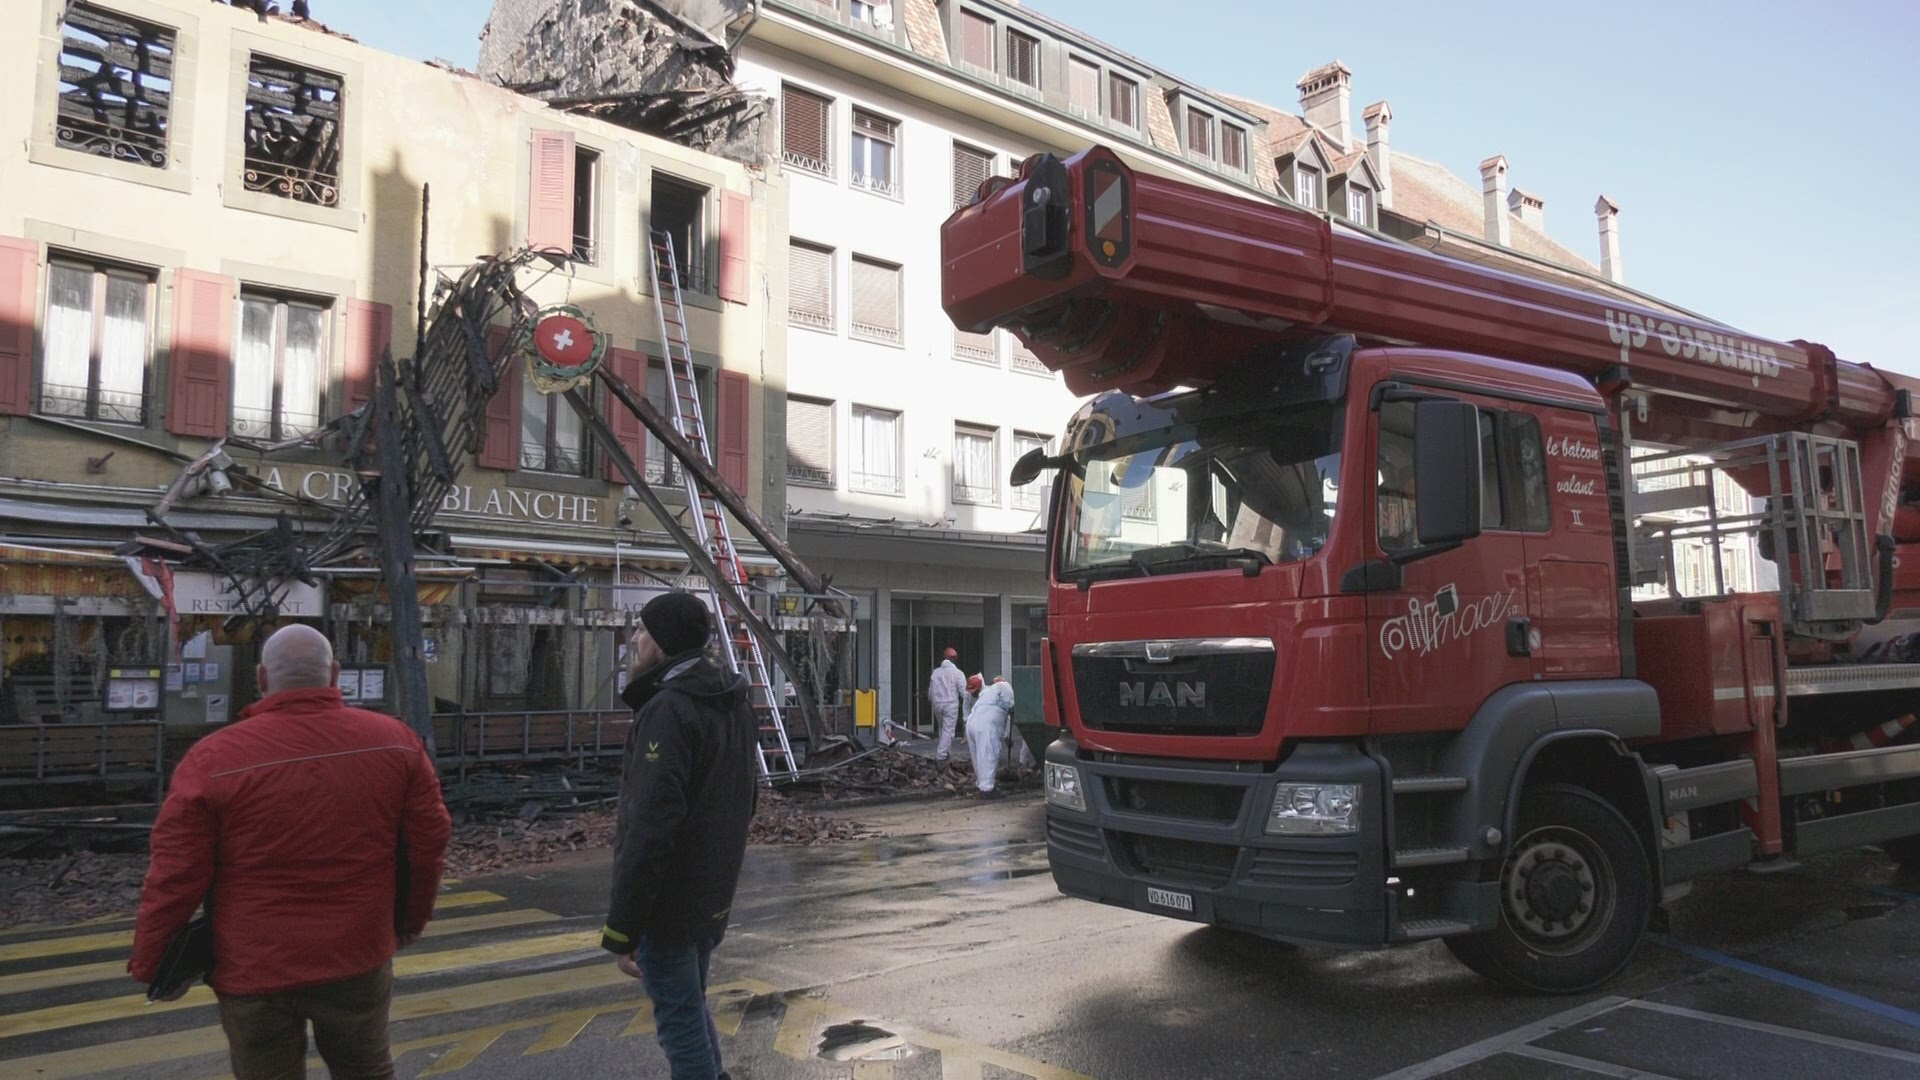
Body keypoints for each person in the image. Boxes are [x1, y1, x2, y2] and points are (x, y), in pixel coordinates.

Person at [129, 624, 451, 1080]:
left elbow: (175, 874)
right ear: (335, 674)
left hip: (254, 965)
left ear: (262, 679)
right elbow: (429, 842)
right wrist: (410, 922)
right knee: (367, 1070)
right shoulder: (395, 741)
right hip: (356, 952)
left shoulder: (212, 759)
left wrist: (153, 962)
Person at [605, 592, 758, 1080]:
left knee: (680, 1025)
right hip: (711, 893)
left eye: (643, 632)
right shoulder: (731, 701)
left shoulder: (669, 710)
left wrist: (623, 926)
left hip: (669, 903)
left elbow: (649, 824)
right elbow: (746, 800)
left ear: (664, 642)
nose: (635, 638)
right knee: (691, 1011)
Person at [965, 675, 1016, 799]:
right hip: (986, 724)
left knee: (978, 757)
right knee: (988, 755)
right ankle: (987, 789)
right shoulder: (1004, 686)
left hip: (972, 722)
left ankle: (982, 784)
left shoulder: (987, 693)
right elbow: (1010, 707)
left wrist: (1007, 735)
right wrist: (1007, 736)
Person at [926, 646, 967, 762]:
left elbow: (931, 690)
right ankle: (941, 756)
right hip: (950, 705)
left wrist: (932, 700)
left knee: (942, 729)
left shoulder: (936, 672)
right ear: (954, 660)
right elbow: (964, 691)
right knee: (948, 731)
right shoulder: (957, 673)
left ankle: (947, 752)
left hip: (937, 705)